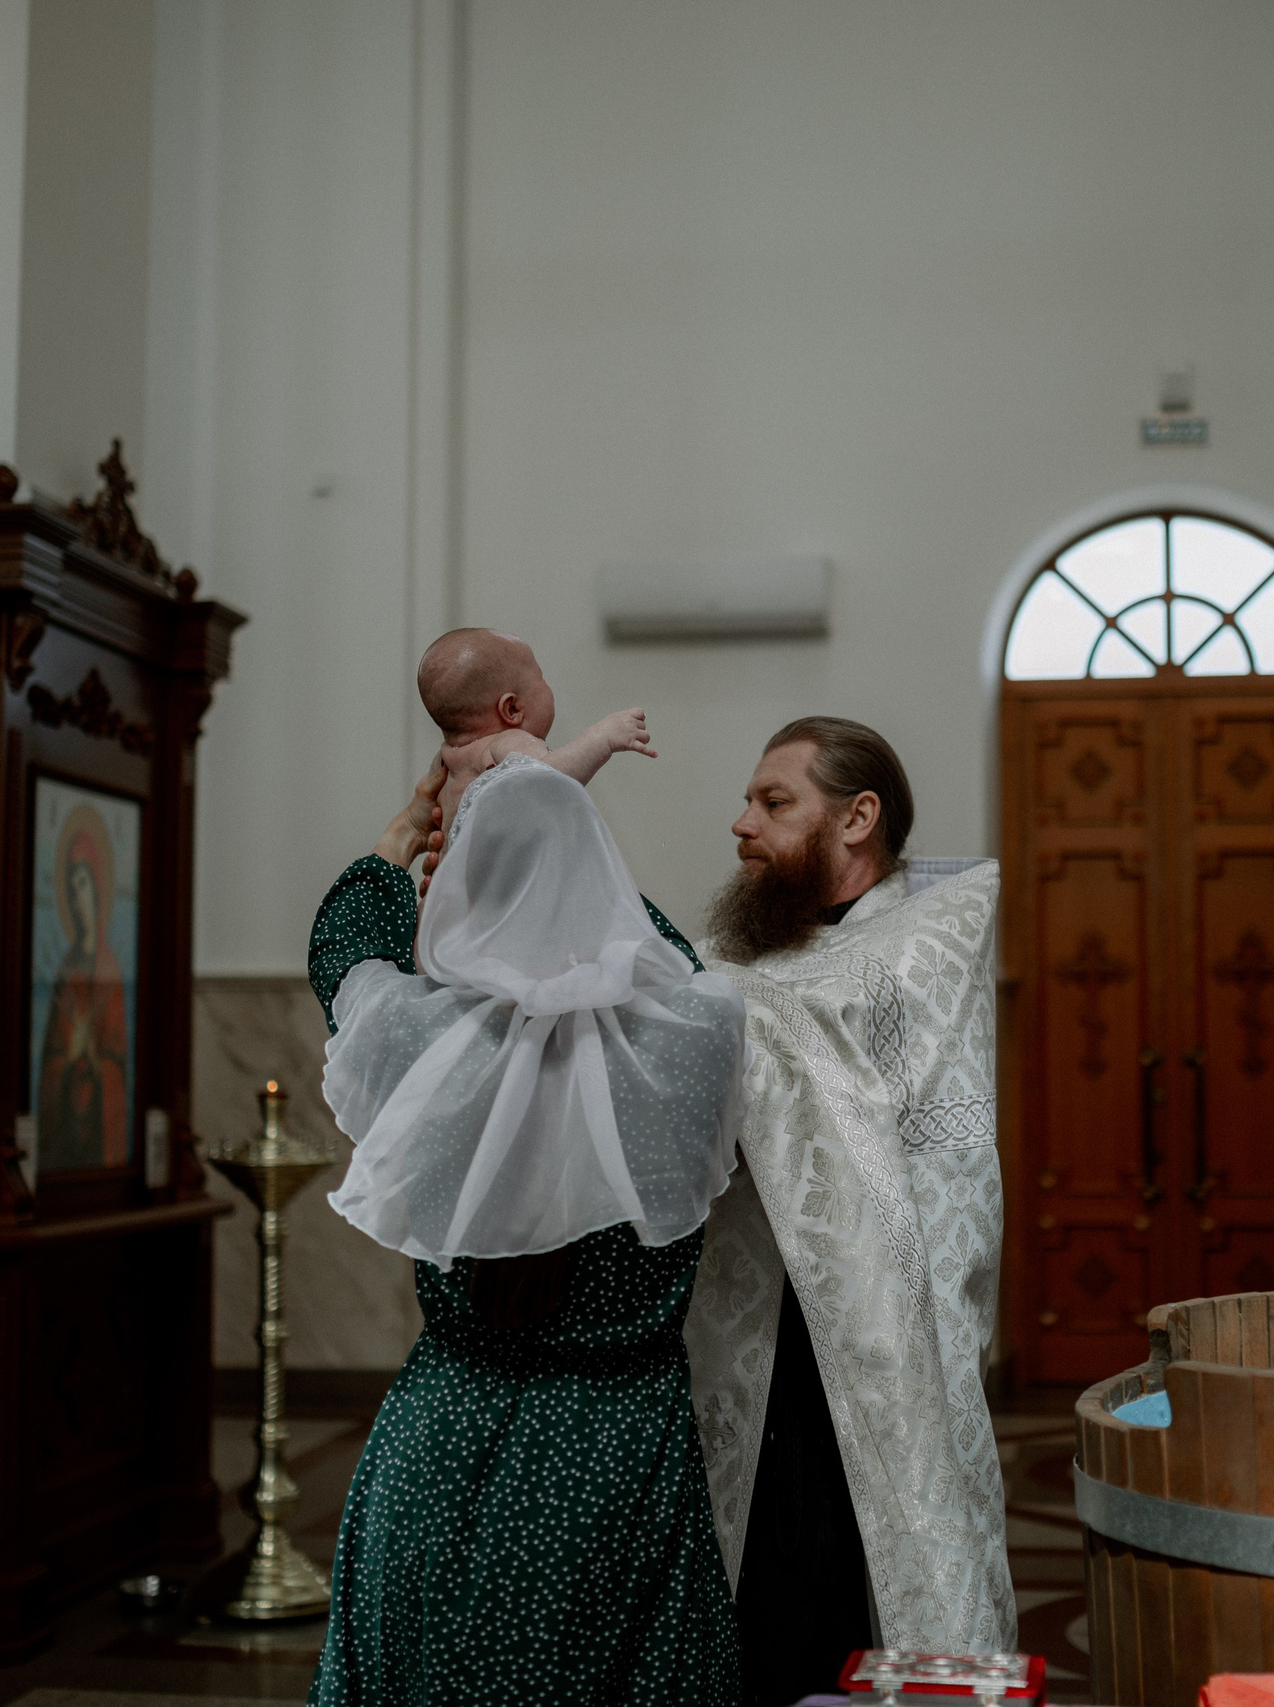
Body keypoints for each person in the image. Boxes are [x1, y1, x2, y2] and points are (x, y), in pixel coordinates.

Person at [305, 753, 746, 1705]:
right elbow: (666, 953)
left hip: (447, 1427)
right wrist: (566, 812)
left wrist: (400, 839)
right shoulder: (698, 1034)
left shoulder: (418, 1039)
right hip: (618, 1445)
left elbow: (342, 953)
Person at [683, 716, 1015, 1701]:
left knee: (855, 1567)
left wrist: (684, 997)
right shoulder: (747, 950)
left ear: (857, 817)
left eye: (773, 802)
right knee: (765, 1570)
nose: (740, 824)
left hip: (880, 1319)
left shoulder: (926, 939)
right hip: (755, 1316)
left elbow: (825, 1072)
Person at [416, 625, 657, 832]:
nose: (547, 686)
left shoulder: (444, 763)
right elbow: (550, 779)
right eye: (541, 679)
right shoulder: (505, 742)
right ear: (511, 709)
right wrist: (603, 737)